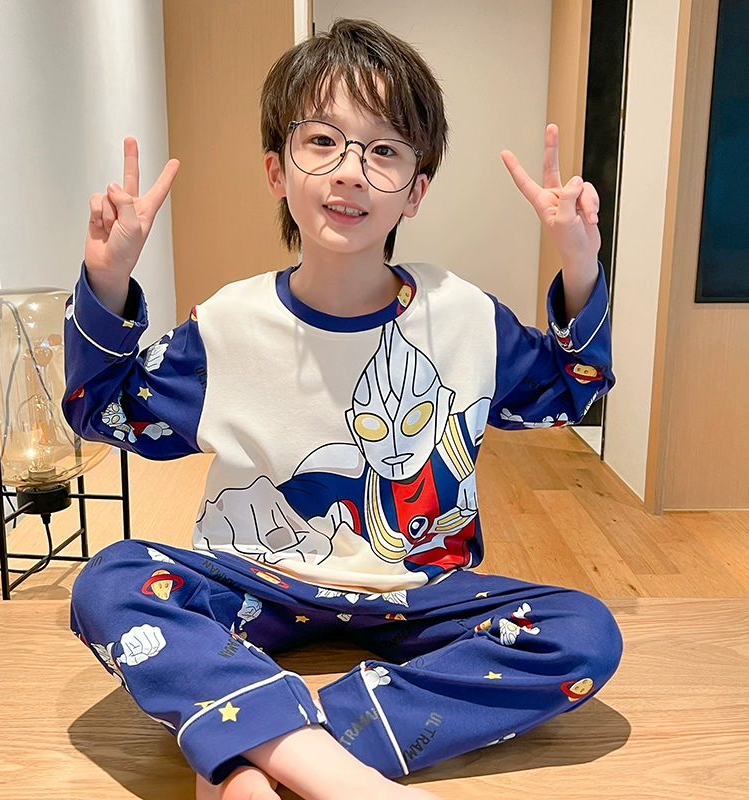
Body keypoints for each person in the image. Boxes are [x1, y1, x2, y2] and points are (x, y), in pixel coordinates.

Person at [63, 18, 622, 800]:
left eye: (385, 150)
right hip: (253, 585)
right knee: (109, 579)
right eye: (322, 141)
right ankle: (343, 781)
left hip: (418, 593)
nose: (351, 172)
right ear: (276, 169)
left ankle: (258, 747)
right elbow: (103, 409)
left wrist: (580, 262)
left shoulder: (464, 316)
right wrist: (109, 279)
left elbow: (572, 390)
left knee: (584, 631)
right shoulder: (228, 325)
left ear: (416, 191)